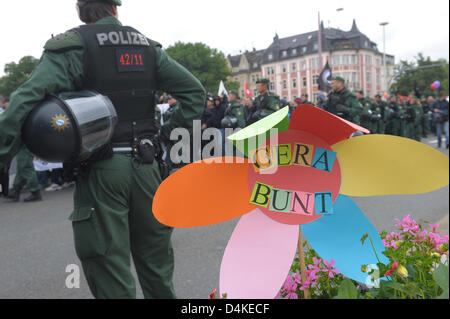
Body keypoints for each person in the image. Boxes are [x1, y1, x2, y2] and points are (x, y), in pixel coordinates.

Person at [0, 0, 205, 299]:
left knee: (109, 268)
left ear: (82, 12)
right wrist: (166, 139)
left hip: (101, 169)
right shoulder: (148, 47)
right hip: (148, 168)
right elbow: (194, 93)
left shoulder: (72, 47)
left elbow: (25, 100)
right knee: (157, 270)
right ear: (115, 9)